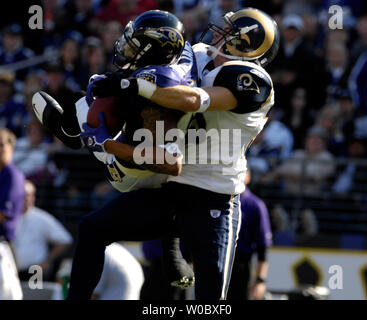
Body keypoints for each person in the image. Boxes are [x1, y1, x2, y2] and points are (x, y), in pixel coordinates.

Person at [79, 7, 279, 300]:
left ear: (247, 42)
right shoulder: (201, 54)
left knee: (210, 301)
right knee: (92, 228)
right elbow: (160, 67)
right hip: (170, 187)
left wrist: (130, 84)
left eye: (230, 30)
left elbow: (193, 100)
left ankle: (172, 246)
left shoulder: (253, 79)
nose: (220, 32)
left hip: (214, 196)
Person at [32, 10, 195, 298]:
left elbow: (169, 163)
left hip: (133, 168)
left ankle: (71, 132)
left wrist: (106, 143)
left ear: (153, 49)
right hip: (177, 185)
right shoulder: (184, 58)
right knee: (100, 92)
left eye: (134, 44)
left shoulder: (161, 91)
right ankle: (172, 250)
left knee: (91, 104)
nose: (125, 47)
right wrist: (122, 83)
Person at [13, 180, 73, 282]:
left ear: (33, 197)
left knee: (35, 296)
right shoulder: (8, 216)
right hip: (12, 271)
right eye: (22, 195)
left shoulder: (42, 218)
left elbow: (65, 240)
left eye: (29, 195)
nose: (26, 198)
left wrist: (47, 260)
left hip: (35, 271)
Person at [227, 170, 272, 300]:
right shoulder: (218, 200)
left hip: (241, 264)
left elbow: (263, 247)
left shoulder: (255, 205)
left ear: (248, 177)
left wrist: (260, 280)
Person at [0, 128, 24, 300]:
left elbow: (2, 213)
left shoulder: (12, 176)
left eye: (2, 145)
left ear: (11, 148)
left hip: (3, 248)